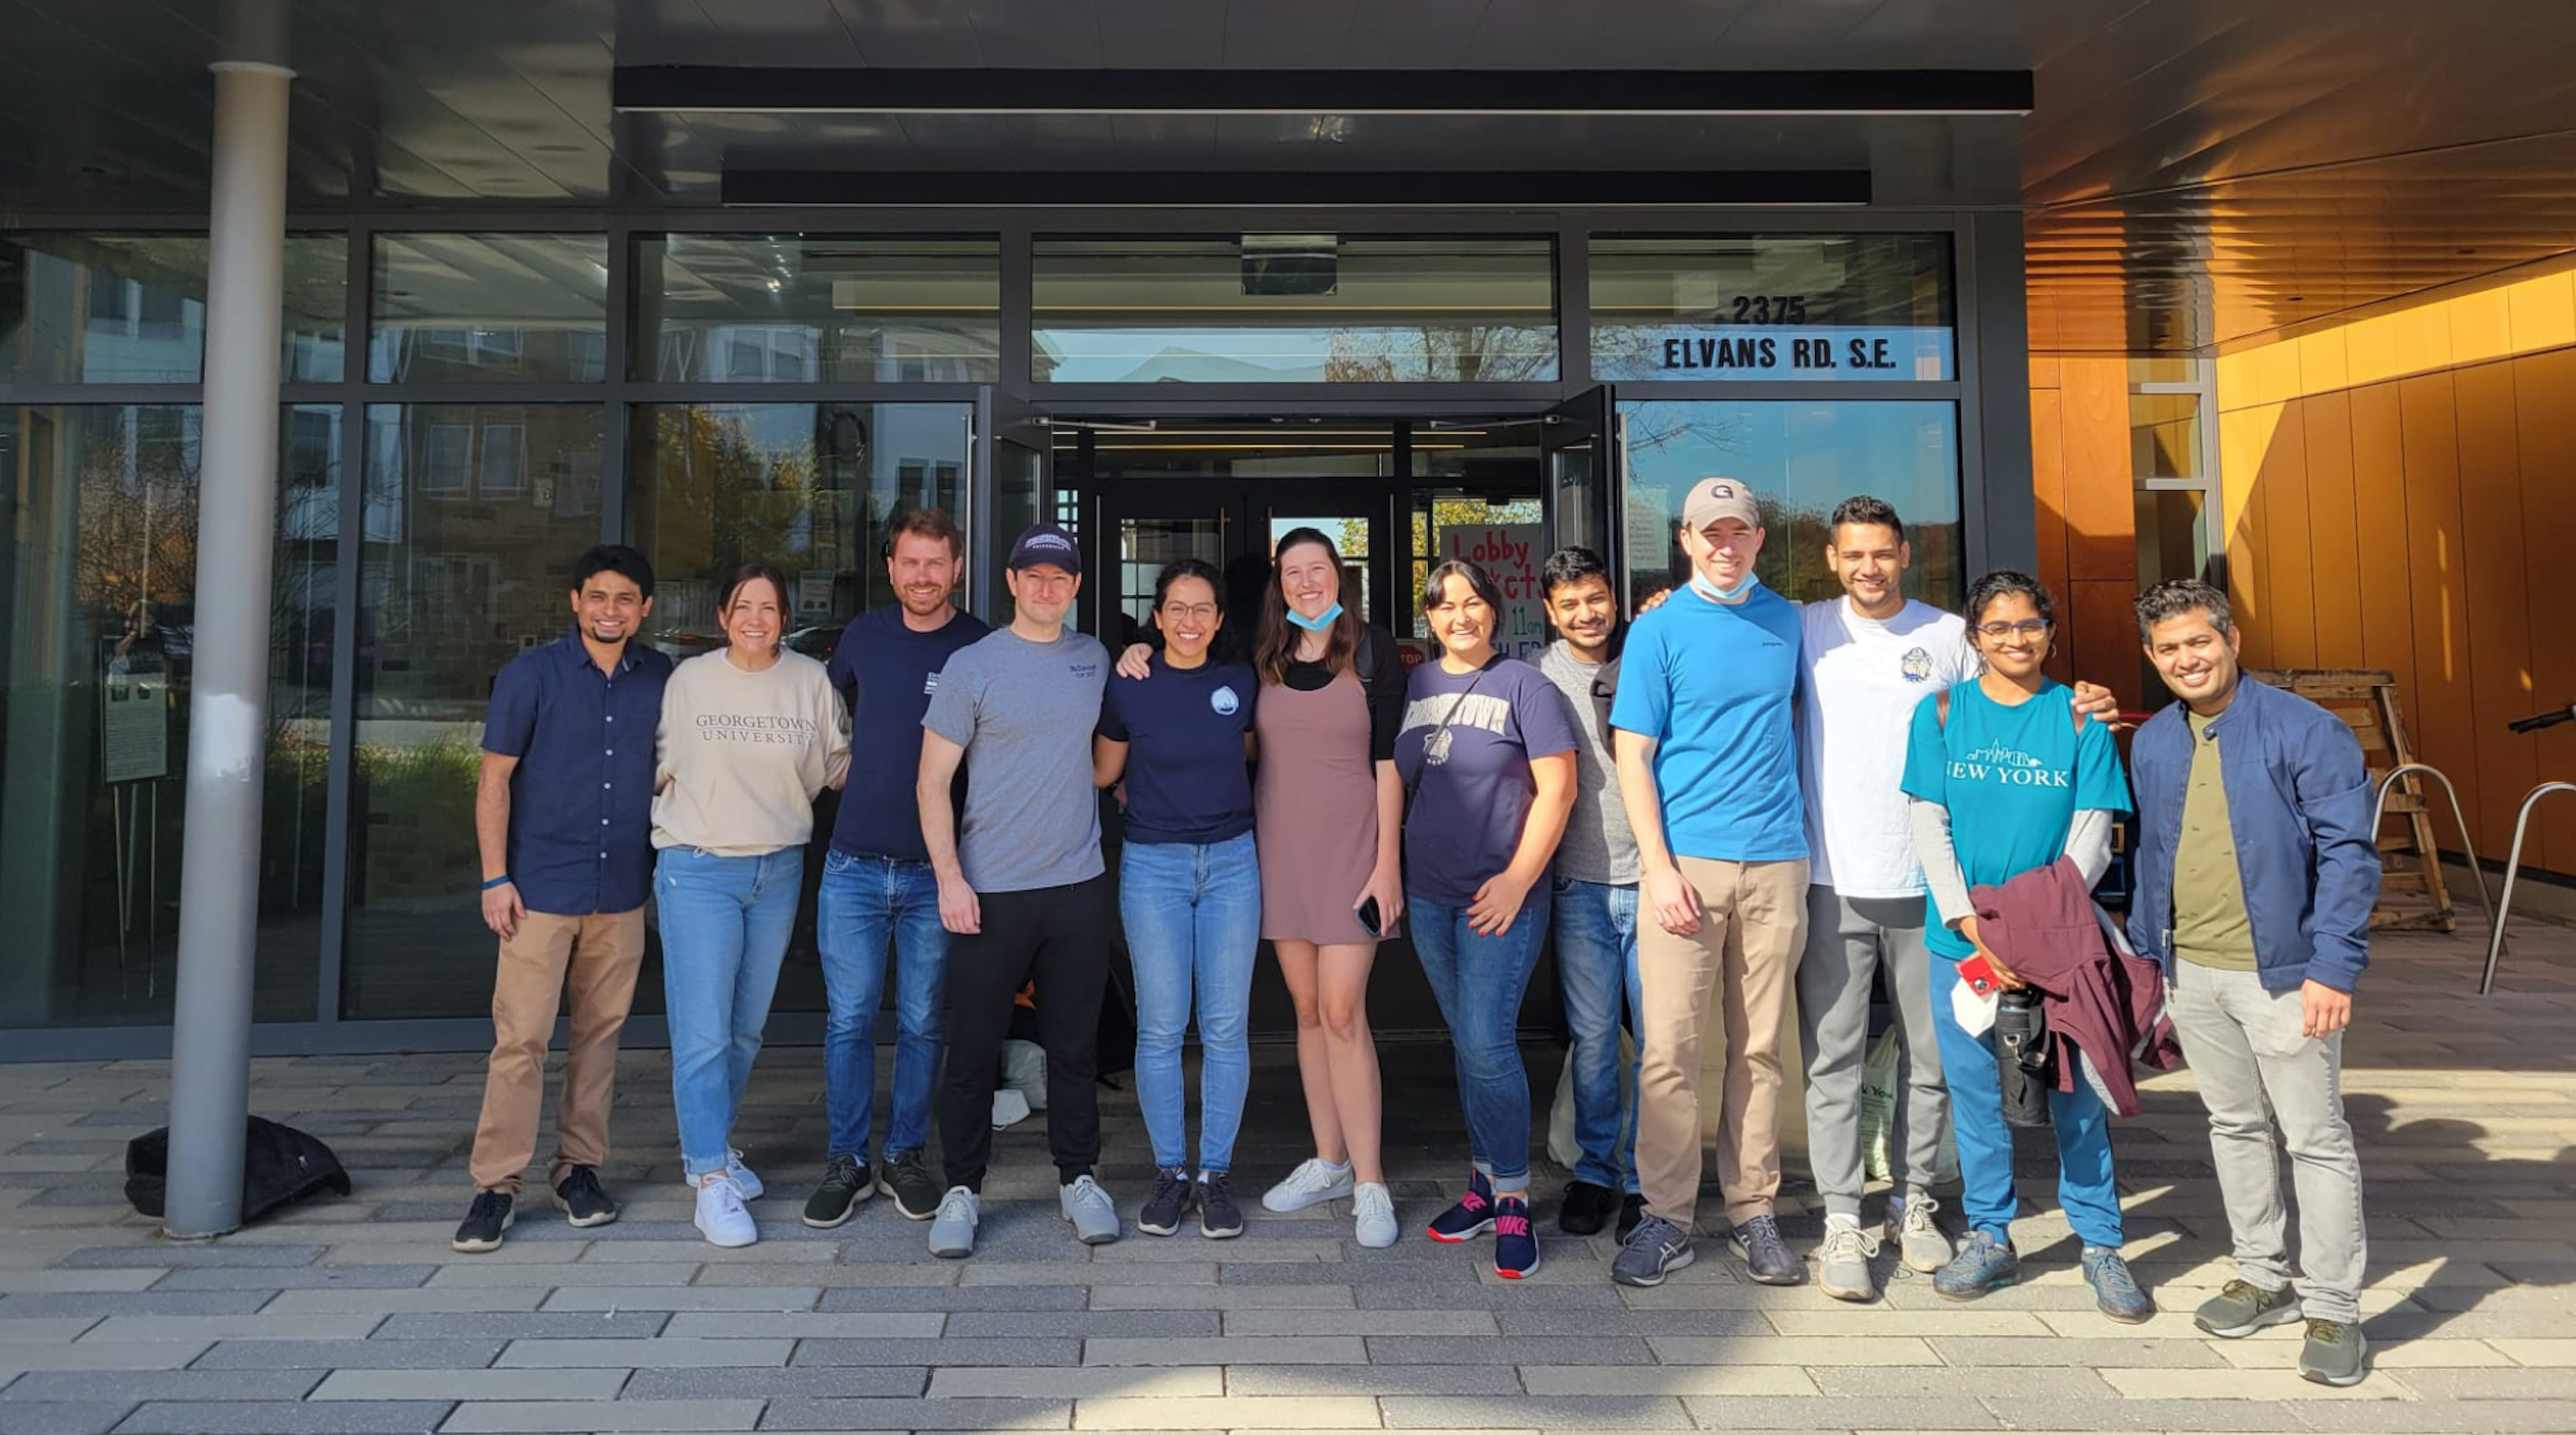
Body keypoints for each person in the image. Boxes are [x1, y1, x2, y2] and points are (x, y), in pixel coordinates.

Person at [1122, 528, 1410, 1247]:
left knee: (1345, 1013)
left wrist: (1387, 865)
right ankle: (1329, 1160)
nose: (1307, 582)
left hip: (1353, 857)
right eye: (1293, 572)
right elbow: (1207, 724)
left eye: (1318, 569)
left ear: (1339, 577)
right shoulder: (1264, 660)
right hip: (1275, 852)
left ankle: (1370, 1182)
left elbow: (1389, 768)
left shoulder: (1373, 652)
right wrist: (1135, 652)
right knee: (1308, 1012)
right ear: (1279, 584)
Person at [2128, 579, 2376, 1385]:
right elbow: (2155, 856)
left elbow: (2350, 855)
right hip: (2192, 971)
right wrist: (2151, 955)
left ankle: (2334, 1308)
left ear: (2232, 638)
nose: (2186, 659)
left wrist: (2333, 966)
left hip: (2287, 976)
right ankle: (2263, 1274)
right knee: (2233, 1127)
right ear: (2151, 657)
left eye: (2199, 641)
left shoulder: (2308, 731)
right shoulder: (2156, 740)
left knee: (2315, 1138)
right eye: (2168, 649)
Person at [1901, 571, 2149, 1321]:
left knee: (2078, 1098)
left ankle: (2101, 1243)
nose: (2016, 639)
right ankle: (1990, 1235)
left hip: (2058, 944)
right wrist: (1972, 923)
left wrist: (2032, 926)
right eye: (1999, 627)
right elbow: (1927, 823)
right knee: (1977, 1098)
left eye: (2030, 624)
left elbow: (2092, 838)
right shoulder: (1941, 712)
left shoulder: (2078, 722)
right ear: (1973, 638)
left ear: (2050, 631)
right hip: (1964, 946)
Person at [1607, 478, 1810, 1289]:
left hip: (1778, 859)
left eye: (1740, 532)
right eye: (1710, 533)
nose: (1725, 546)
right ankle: (1665, 1217)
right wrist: (1657, 870)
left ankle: (1753, 1212)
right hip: (1685, 865)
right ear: (1685, 540)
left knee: (1760, 1050)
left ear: (1761, 538)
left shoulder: (1793, 623)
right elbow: (1634, 756)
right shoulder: (1657, 632)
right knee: (1669, 1051)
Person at [453, 546, 673, 1254]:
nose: (611, 610)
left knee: (599, 1040)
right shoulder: (531, 676)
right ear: (576, 601)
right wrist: (495, 877)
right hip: (539, 890)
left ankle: (579, 1170)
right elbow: (494, 783)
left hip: (621, 891)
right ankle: (496, 1185)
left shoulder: (662, 679)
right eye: (599, 597)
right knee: (520, 1040)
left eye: (626, 599)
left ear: (644, 608)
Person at [1791, 497, 1978, 1300]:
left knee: (1929, 1061)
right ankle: (1841, 1217)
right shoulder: (1800, 628)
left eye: (1882, 553)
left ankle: (1915, 1203)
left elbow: (2003, 718)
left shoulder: (1950, 637)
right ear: (1832, 560)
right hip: (1831, 876)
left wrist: (2079, 704)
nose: (1868, 567)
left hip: (1927, 884)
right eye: (1852, 554)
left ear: (1905, 554)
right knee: (1832, 1058)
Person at [918, 523, 1119, 1259]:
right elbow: (931, 781)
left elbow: (1106, 760)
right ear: (1009, 581)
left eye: (1059, 576)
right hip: (990, 891)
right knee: (972, 1051)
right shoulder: (972, 665)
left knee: (1072, 1049)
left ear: (1074, 585)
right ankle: (961, 1189)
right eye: (1032, 574)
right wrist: (950, 879)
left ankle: (1078, 1177)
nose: (1046, 586)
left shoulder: (1093, 658)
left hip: (1076, 886)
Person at [653, 563, 850, 1248]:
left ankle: (713, 1142)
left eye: (769, 608)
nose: (757, 619)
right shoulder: (690, 682)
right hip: (699, 868)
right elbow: (654, 769)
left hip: (777, 868)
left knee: (743, 1029)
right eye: (745, 607)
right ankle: (708, 1177)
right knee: (704, 1030)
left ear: (785, 618)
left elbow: (838, 767)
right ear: (723, 615)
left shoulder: (809, 682)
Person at [803, 507, 988, 1230]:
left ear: (957, 568)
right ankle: (846, 1161)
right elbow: (824, 716)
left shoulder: (979, 645)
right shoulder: (861, 638)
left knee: (920, 1023)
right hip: (851, 865)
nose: (922, 576)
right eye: (909, 562)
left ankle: (905, 1155)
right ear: (891, 568)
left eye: (935, 563)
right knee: (847, 1020)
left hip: (933, 873)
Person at [1400, 559, 1578, 1279]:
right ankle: (1481, 1182)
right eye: (1445, 606)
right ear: (1430, 617)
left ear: (1494, 611)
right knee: (1468, 1044)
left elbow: (1558, 791)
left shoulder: (1525, 685)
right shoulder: (1417, 685)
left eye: (1472, 602)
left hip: (1499, 898)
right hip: (1428, 895)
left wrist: (1515, 880)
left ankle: (1511, 1195)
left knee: (1487, 1041)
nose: (1460, 616)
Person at [1094, 559, 1260, 1239]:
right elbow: (1104, 772)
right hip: (1153, 867)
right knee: (1161, 1027)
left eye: (1202, 609)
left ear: (1219, 621)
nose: (1189, 621)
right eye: (1176, 608)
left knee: (1224, 1028)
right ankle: (1170, 1173)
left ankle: (1214, 1176)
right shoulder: (1129, 682)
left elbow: (1254, 754)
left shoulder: (1241, 682)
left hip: (1232, 865)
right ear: (1156, 617)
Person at [1534, 547, 1647, 1241]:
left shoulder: (1648, 652)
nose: (1587, 612)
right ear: (1549, 611)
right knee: (1596, 1038)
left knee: (1660, 1042)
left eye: (1596, 597)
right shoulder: (1535, 678)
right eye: (1570, 603)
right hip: (1578, 881)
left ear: (1616, 596)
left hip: (1655, 878)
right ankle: (1596, 1172)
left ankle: (1646, 1180)